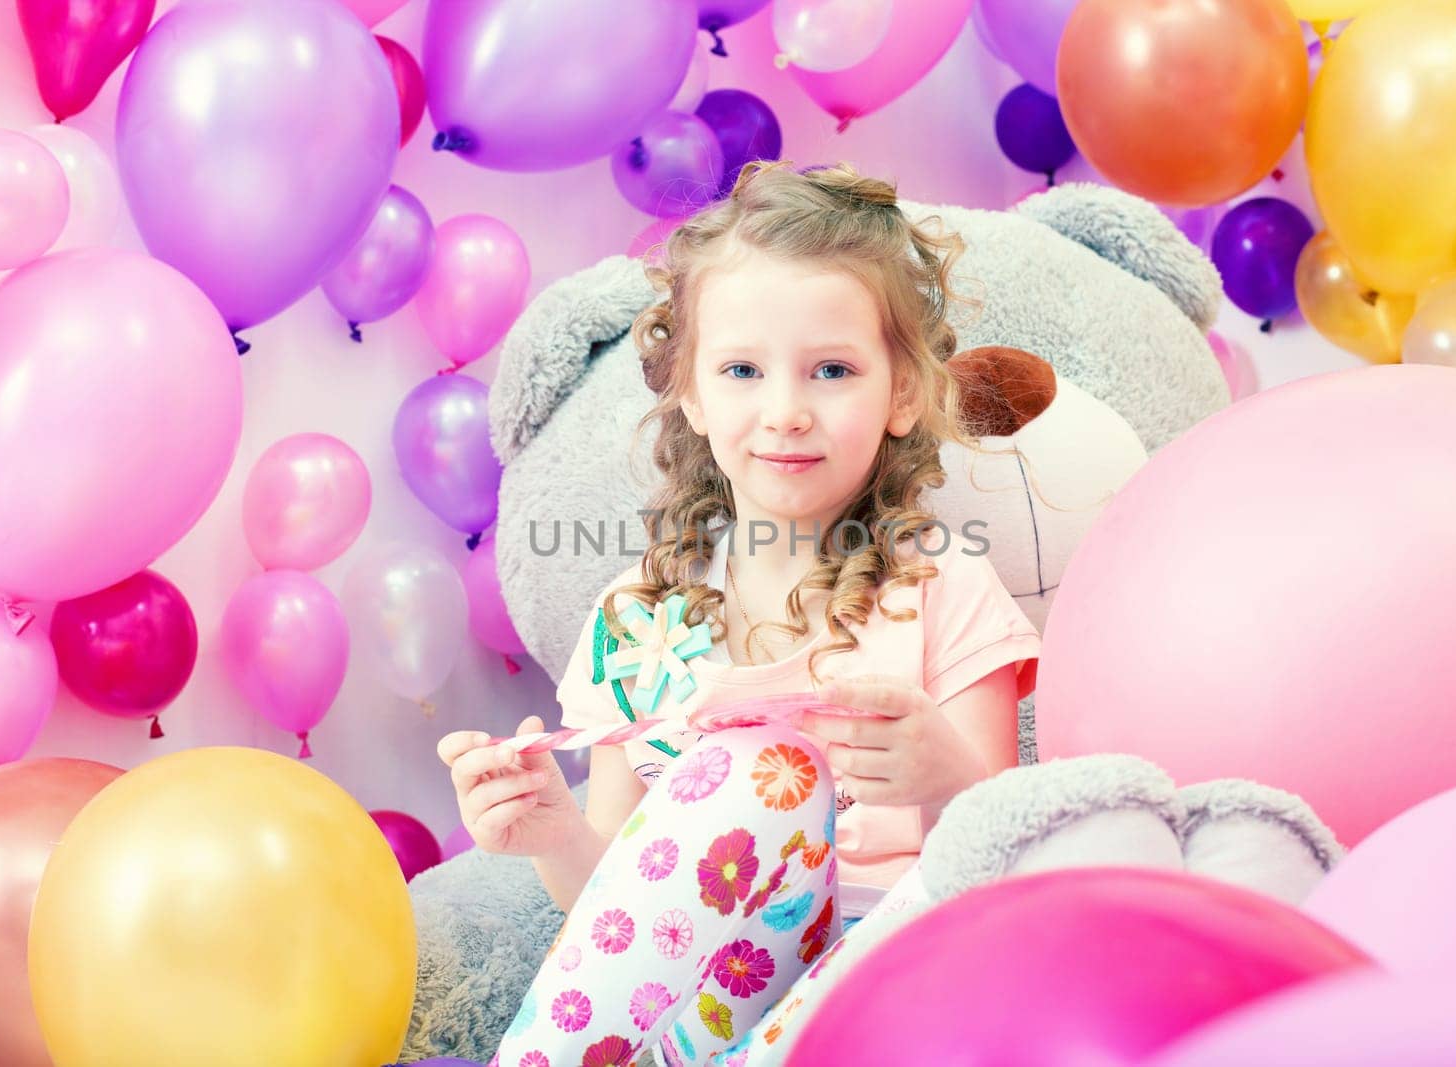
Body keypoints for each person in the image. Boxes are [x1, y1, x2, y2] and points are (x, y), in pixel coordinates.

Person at [438, 160, 1041, 1066]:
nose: (786, 412)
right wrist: (551, 832)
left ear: (903, 393)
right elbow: (623, 916)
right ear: (691, 389)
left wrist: (948, 774)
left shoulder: (947, 593)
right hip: (709, 1015)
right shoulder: (637, 618)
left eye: (832, 370)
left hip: (894, 1004)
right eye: (743, 370)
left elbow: (1005, 872)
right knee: (761, 773)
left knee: (783, 774)